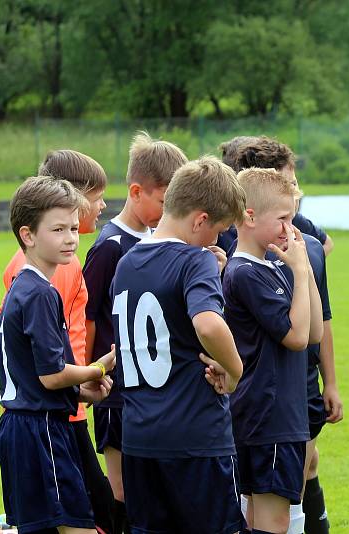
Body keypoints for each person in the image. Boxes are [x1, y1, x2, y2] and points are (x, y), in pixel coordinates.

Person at [110, 156, 245, 534]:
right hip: (196, 439)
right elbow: (207, 324)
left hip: (139, 440)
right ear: (200, 220)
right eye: (217, 230)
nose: (216, 241)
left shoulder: (127, 263)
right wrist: (235, 371)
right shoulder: (196, 259)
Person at [0, 150, 115, 533]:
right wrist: (96, 369)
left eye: (73, 229)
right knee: (80, 525)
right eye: (59, 230)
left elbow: (31, 373)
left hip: (24, 425)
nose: (71, 239)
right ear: (28, 235)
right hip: (39, 429)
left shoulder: (28, 286)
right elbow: (50, 376)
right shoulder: (40, 292)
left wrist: (82, 394)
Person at [221, 135, 343, 533]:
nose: (293, 231)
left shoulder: (271, 267)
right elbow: (295, 336)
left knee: (261, 517)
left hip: (276, 416)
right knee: (271, 521)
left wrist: (298, 268)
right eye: (284, 220)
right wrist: (303, 268)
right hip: (268, 417)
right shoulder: (246, 272)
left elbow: (310, 334)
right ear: (250, 217)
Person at [82, 131, 187, 533]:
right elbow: (89, 318)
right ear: (136, 190)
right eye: (164, 202)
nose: (169, 211)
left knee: (155, 491)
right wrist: (90, 376)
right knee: (123, 491)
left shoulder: (166, 242)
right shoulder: (110, 246)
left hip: (156, 390)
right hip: (117, 395)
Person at [219, 135, 334, 256]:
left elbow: (326, 243)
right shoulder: (221, 230)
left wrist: (302, 267)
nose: (293, 194)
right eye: (284, 188)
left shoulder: (294, 220)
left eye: (293, 184)